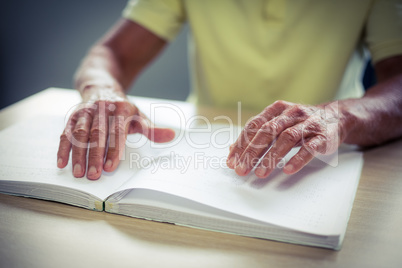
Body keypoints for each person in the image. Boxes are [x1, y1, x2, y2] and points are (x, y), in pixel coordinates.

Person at [57, 0, 402, 180]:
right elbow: (111, 53)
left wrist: (337, 116)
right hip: (200, 144)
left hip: (327, 155)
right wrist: (102, 90)